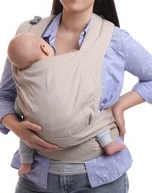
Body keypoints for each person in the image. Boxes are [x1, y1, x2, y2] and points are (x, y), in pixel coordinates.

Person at [0, 0, 152, 192]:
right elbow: (4, 97)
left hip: (101, 178)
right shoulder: (30, 35)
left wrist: (120, 106)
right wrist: (15, 126)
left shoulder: (113, 39)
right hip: (37, 178)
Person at [7, 32, 126, 175]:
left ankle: (26, 162)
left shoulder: (23, 76)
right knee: (97, 116)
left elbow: (16, 105)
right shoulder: (64, 62)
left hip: (41, 133)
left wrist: (19, 117)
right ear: (45, 48)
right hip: (78, 130)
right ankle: (108, 143)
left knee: (26, 132)